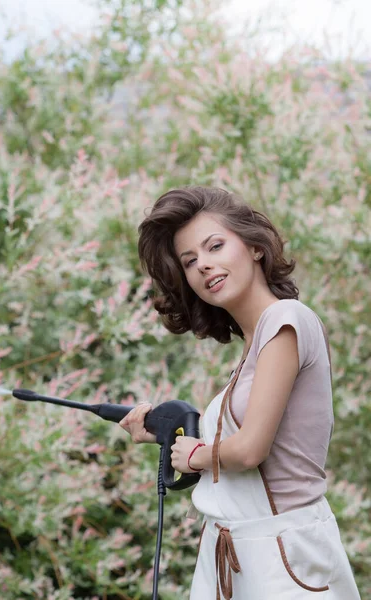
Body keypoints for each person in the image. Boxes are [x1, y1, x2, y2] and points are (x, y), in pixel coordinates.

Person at [119, 187, 361, 599]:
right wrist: (165, 433)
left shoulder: (286, 320)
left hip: (284, 560)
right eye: (190, 261)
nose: (204, 265)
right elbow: (238, 442)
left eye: (215, 246)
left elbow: (250, 450)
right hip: (242, 559)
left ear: (254, 247)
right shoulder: (253, 350)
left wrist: (193, 455)